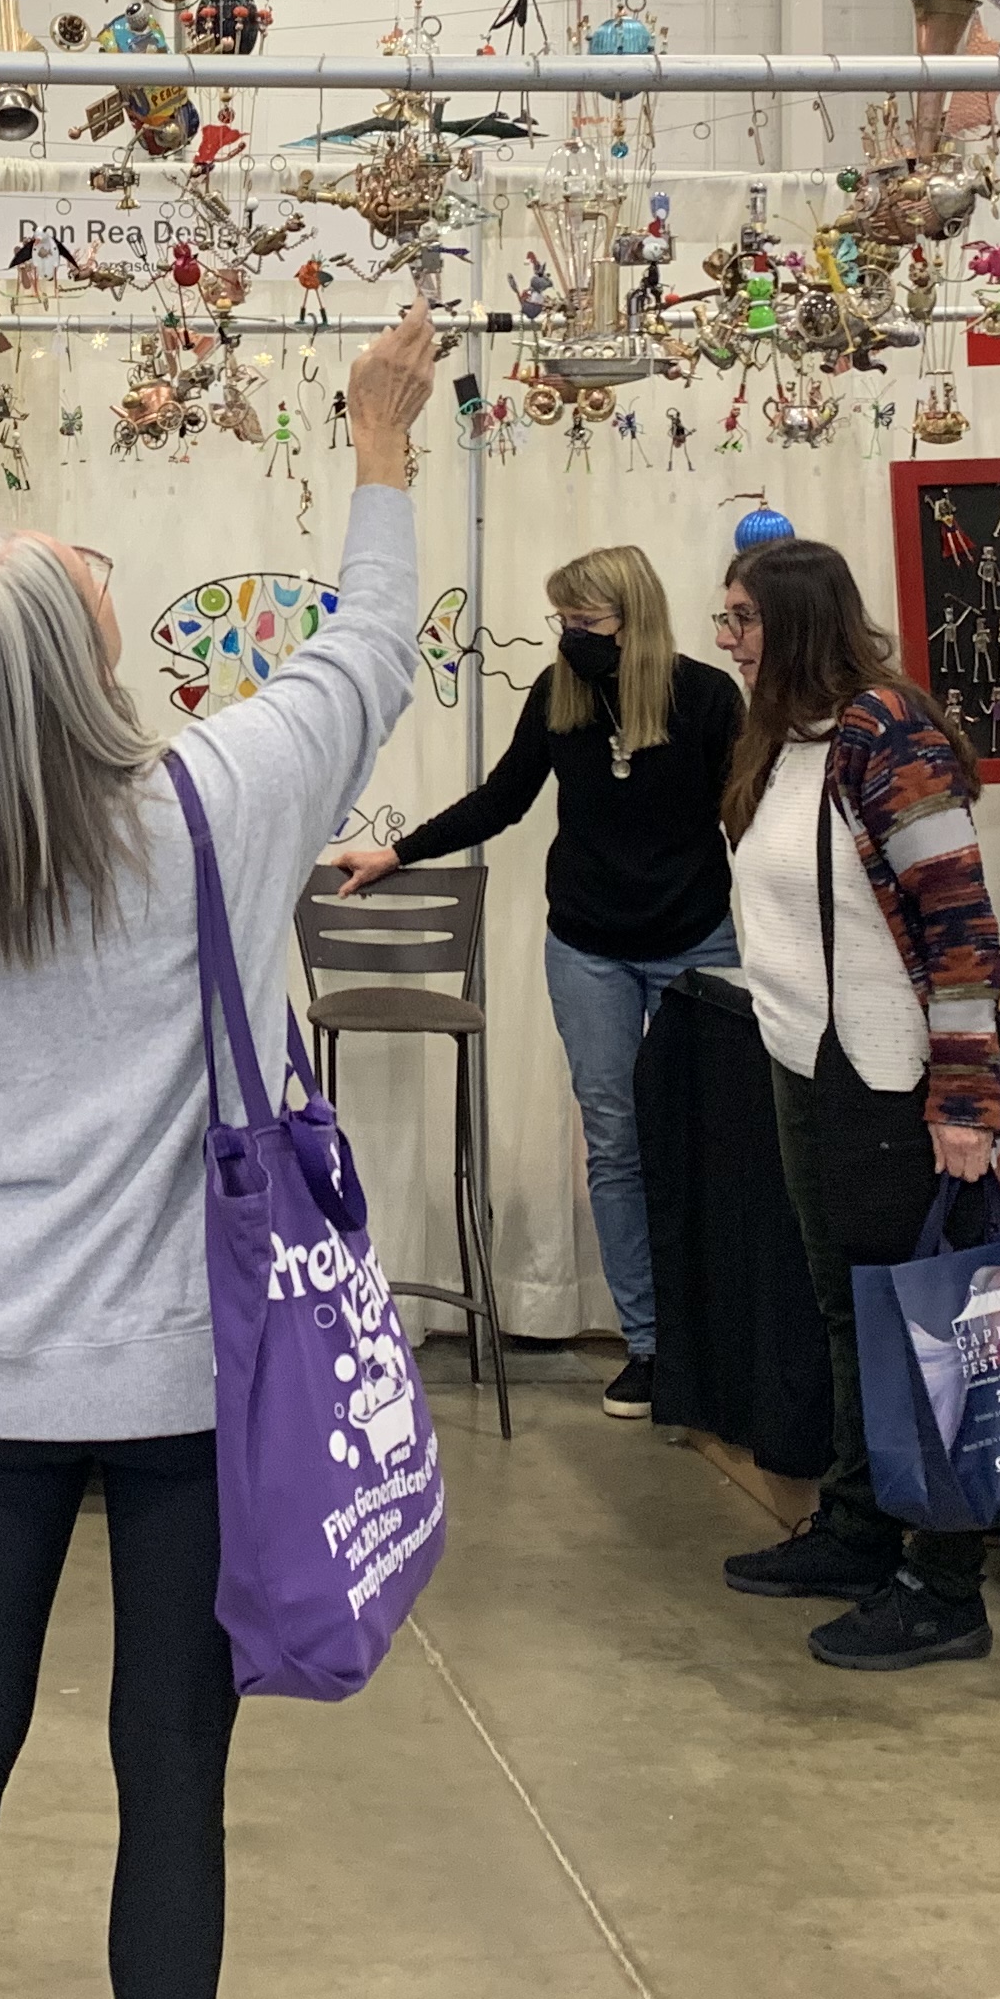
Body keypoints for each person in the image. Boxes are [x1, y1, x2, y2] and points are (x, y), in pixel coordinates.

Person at [0, 304, 438, 1999]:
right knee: (173, 1757)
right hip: (192, 1372)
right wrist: (377, 447)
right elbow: (371, 645)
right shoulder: (217, 799)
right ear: (89, 660)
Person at [327, 541, 740, 1419]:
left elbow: (748, 816)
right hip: (588, 946)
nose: (569, 635)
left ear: (634, 617)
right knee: (616, 1141)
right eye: (563, 620)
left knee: (706, 1140)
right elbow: (502, 799)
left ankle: (720, 1343)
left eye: (585, 620)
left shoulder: (708, 698)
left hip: (697, 942)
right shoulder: (558, 695)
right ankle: (650, 1347)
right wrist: (397, 853)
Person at [707, 535, 1000, 1674]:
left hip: (892, 1073)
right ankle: (859, 1526)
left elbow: (962, 924)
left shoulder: (890, 733)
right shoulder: (783, 740)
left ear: (798, 622)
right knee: (849, 1312)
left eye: (743, 619)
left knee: (922, 1324)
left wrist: (966, 1100)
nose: (729, 640)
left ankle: (947, 1582)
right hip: (808, 1060)